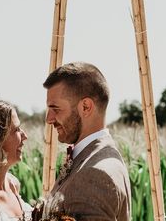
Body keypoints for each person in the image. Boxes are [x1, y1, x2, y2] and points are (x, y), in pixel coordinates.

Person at [43, 62, 131, 220]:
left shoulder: (95, 174)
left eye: (55, 109)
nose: (49, 119)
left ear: (85, 107)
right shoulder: (98, 156)